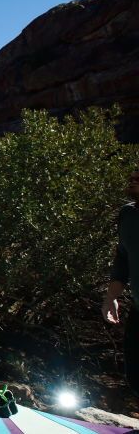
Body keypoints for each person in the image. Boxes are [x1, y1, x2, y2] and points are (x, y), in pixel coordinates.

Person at [102, 168, 139, 393]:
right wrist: (111, 297)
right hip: (138, 309)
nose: (132, 180)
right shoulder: (128, 214)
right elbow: (123, 258)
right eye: (132, 176)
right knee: (135, 377)